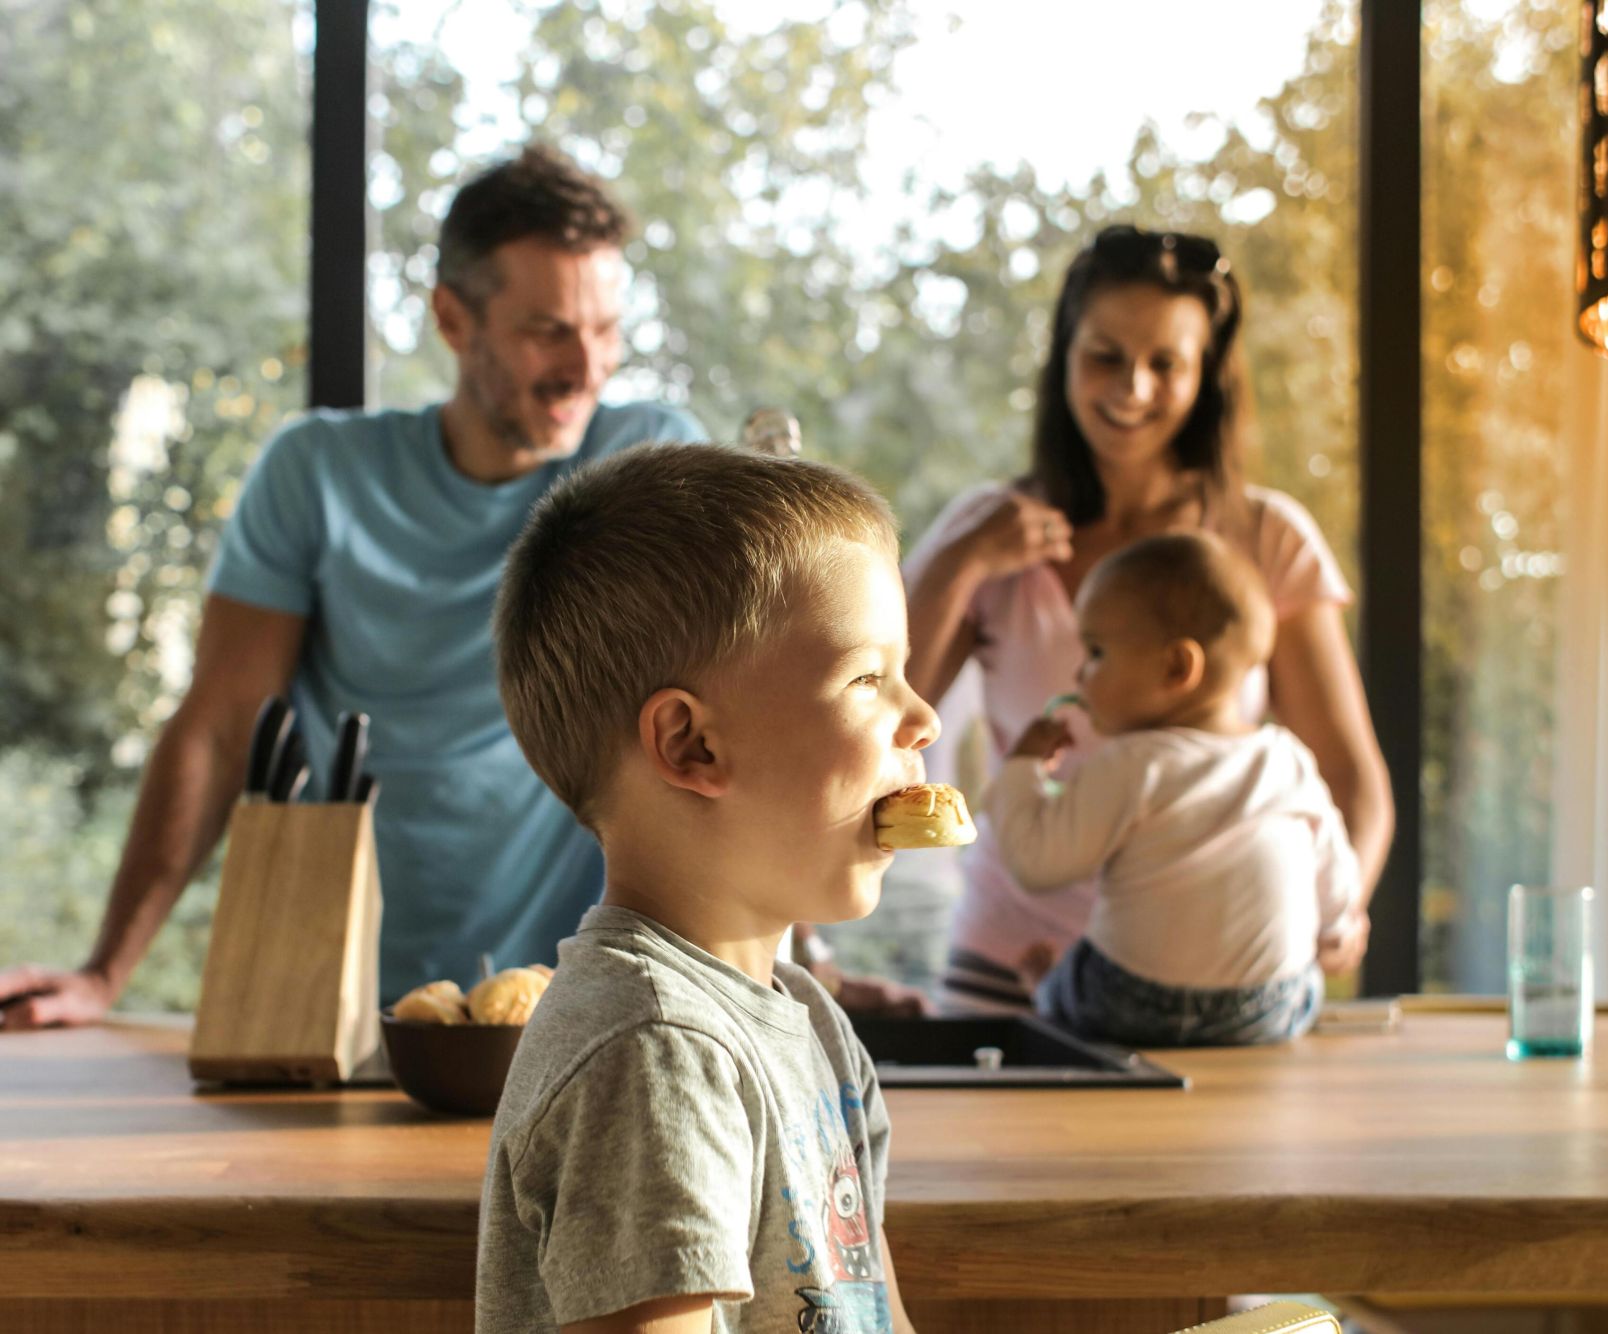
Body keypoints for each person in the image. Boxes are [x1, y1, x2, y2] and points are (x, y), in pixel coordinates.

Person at [0, 144, 705, 1027]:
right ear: (453, 319)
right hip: (337, 1000)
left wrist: (806, 961)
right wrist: (103, 975)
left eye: (605, 329)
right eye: (546, 330)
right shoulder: (317, 472)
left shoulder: (645, 462)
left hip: (585, 1009)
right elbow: (220, 729)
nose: (584, 364)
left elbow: (728, 715)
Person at [478, 443, 929, 1334]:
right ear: (692, 747)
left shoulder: (808, 1022)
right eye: (869, 678)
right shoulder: (653, 1051)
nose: (922, 717)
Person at [904, 224, 1392, 1012]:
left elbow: (1348, 780)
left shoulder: (1268, 540)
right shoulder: (988, 534)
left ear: (1206, 377)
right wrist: (959, 563)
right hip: (1009, 958)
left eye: (1165, 364)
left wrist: (1338, 913)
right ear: (1065, 354)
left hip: (1205, 977)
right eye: (1105, 356)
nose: (1130, 388)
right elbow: (882, 718)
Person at [983, 531, 1362, 1047]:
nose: (1079, 674)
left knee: (1072, 983)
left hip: (1130, 1002)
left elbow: (1037, 863)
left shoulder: (1132, 764)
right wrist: (1336, 929)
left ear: (1176, 667)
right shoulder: (1287, 759)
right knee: (1308, 981)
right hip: (1269, 1006)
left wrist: (1022, 770)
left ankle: (1049, 991)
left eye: (1095, 651)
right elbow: (1334, 868)